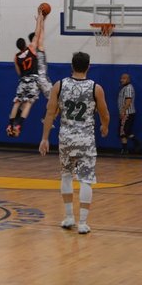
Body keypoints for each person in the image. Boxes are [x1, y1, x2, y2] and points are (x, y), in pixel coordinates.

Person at [39, 52, 110, 234]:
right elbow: (105, 114)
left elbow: (49, 113)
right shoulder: (96, 88)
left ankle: (69, 217)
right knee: (86, 179)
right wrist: (104, 126)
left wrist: (45, 138)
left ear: (72, 66)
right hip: (86, 139)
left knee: (66, 175)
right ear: (88, 66)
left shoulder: (59, 85)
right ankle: (83, 223)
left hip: (66, 138)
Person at [7, 35, 40, 137]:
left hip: (23, 80)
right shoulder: (31, 49)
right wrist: (40, 21)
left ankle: (10, 125)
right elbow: (36, 37)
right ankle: (19, 125)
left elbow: (19, 72)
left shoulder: (16, 57)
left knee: (17, 102)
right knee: (28, 103)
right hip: (33, 79)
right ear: (25, 44)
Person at [27, 6, 52, 103]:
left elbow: (39, 33)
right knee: (54, 100)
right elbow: (41, 33)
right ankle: (46, 117)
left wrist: (41, 19)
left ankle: (18, 116)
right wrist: (41, 20)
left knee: (28, 102)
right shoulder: (39, 47)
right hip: (42, 78)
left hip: (33, 79)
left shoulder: (31, 49)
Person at [118, 73, 141, 154]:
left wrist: (123, 111)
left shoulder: (128, 88)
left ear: (128, 79)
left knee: (125, 131)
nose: (122, 80)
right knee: (122, 131)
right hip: (125, 113)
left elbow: (128, 101)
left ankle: (137, 142)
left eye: (124, 78)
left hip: (127, 113)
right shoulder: (124, 88)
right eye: (121, 78)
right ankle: (124, 149)